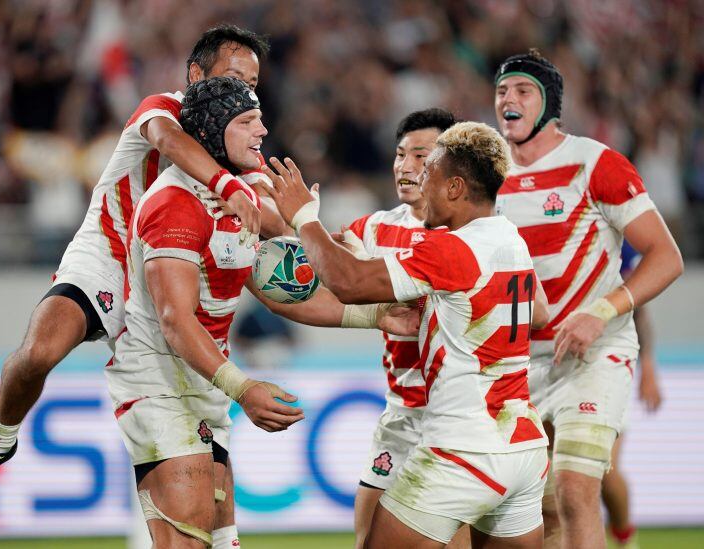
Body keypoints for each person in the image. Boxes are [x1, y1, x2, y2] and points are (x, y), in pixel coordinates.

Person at [0, 22, 280, 509]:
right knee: (39, 352)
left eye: (251, 85)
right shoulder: (162, 108)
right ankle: (1, 439)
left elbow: (271, 214)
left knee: (177, 405)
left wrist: (311, 233)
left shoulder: (241, 144)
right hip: (110, 255)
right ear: (195, 73)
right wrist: (230, 188)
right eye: (233, 77)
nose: (243, 92)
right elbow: (169, 142)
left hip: (172, 278)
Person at [113, 76, 418, 548]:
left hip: (202, 386)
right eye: (246, 121)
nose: (262, 130)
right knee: (187, 542)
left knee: (222, 541)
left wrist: (372, 316)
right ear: (214, 132)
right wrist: (244, 387)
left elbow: (276, 292)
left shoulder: (242, 198)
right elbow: (175, 320)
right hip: (161, 389)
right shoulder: (174, 205)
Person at [263, 121, 552, 548]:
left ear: (455, 187)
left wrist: (305, 217)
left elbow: (347, 281)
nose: (418, 179)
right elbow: (535, 314)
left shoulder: (453, 248)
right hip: (522, 447)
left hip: (463, 447)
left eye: (429, 172)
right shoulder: (509, 238)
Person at [492, 49, 683, 548]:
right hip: (520, 365)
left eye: (522, 91)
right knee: (535, 509)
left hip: (595, 354)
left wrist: (599, 314)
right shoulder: (487, 180)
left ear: (550, 105)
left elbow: (666, 257)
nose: (507, 100)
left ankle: (625, 534)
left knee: (577, 490)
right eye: (501, 92)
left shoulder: (595, 163)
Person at [338, 108, 470, 549]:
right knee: (366, 535)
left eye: (421, 154)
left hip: (455, 417)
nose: (405, 165)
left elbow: (538, 312)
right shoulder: (378, 228)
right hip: (400, 414)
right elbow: (325, 253)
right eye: (399, 154)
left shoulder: (475, 234)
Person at [601, 242, 662, 549]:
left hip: (607, 363)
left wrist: (648, 367)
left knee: (603, 469)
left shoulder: (614, 236)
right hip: (549, 362)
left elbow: (638, 308)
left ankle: (625, 537)